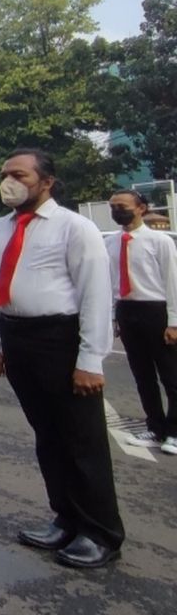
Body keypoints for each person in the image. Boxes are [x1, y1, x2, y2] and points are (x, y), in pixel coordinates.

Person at [0, 148, 123, 569]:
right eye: (5, 174)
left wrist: (90, 360)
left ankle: (101, 532)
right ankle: (66, 517)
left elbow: (96, 295)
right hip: (18, 336)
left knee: (83, 440)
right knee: (48, 436)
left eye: (19, 174)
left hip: (60, 339)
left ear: (46, 182)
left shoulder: (74, 228)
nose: (9, 181)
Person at [106, 189, 177, 455]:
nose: (117, 211)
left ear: (141, 208)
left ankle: (174, 431)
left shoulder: (159, 241)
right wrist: (113, 316)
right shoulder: (111, 242)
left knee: (171, 375)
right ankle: (155, 427)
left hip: (156, 310)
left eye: (122, 206)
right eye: (113, 207)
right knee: (142, 375)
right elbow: (111, 282)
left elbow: (172, 282)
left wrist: (173, 322)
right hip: (127, 310)